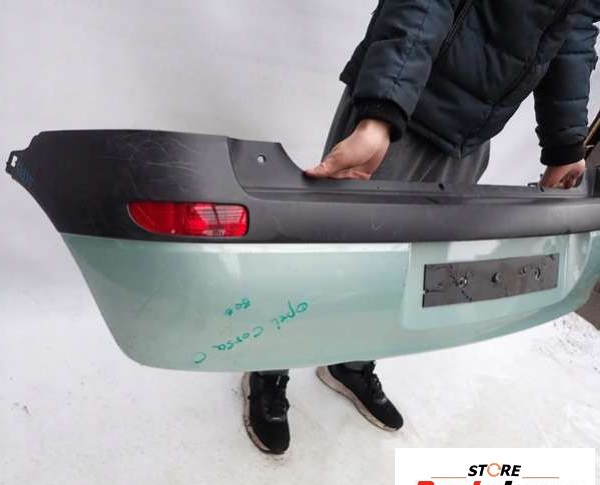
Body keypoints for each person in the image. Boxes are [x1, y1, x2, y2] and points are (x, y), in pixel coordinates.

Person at [242, 0, 600, 455]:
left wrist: (565, 146)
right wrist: (382, 112)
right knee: (329, 256)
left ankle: (350, 361)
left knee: (409, 270)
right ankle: (269, 366)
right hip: (403, 105)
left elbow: (572, 30)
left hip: (470, 133)